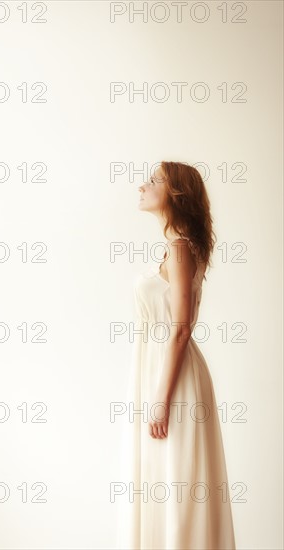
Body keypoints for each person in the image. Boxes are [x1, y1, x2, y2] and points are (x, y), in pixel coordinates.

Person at [115, 161, 236, 550]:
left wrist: (161, 401)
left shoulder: (180, 248)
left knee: (175, 483)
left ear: (176, 195)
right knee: (161, 481)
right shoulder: (177, 249)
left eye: (153, 181)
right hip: (159, 373)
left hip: (173, 381)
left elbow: (181, 328)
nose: (141, 186)